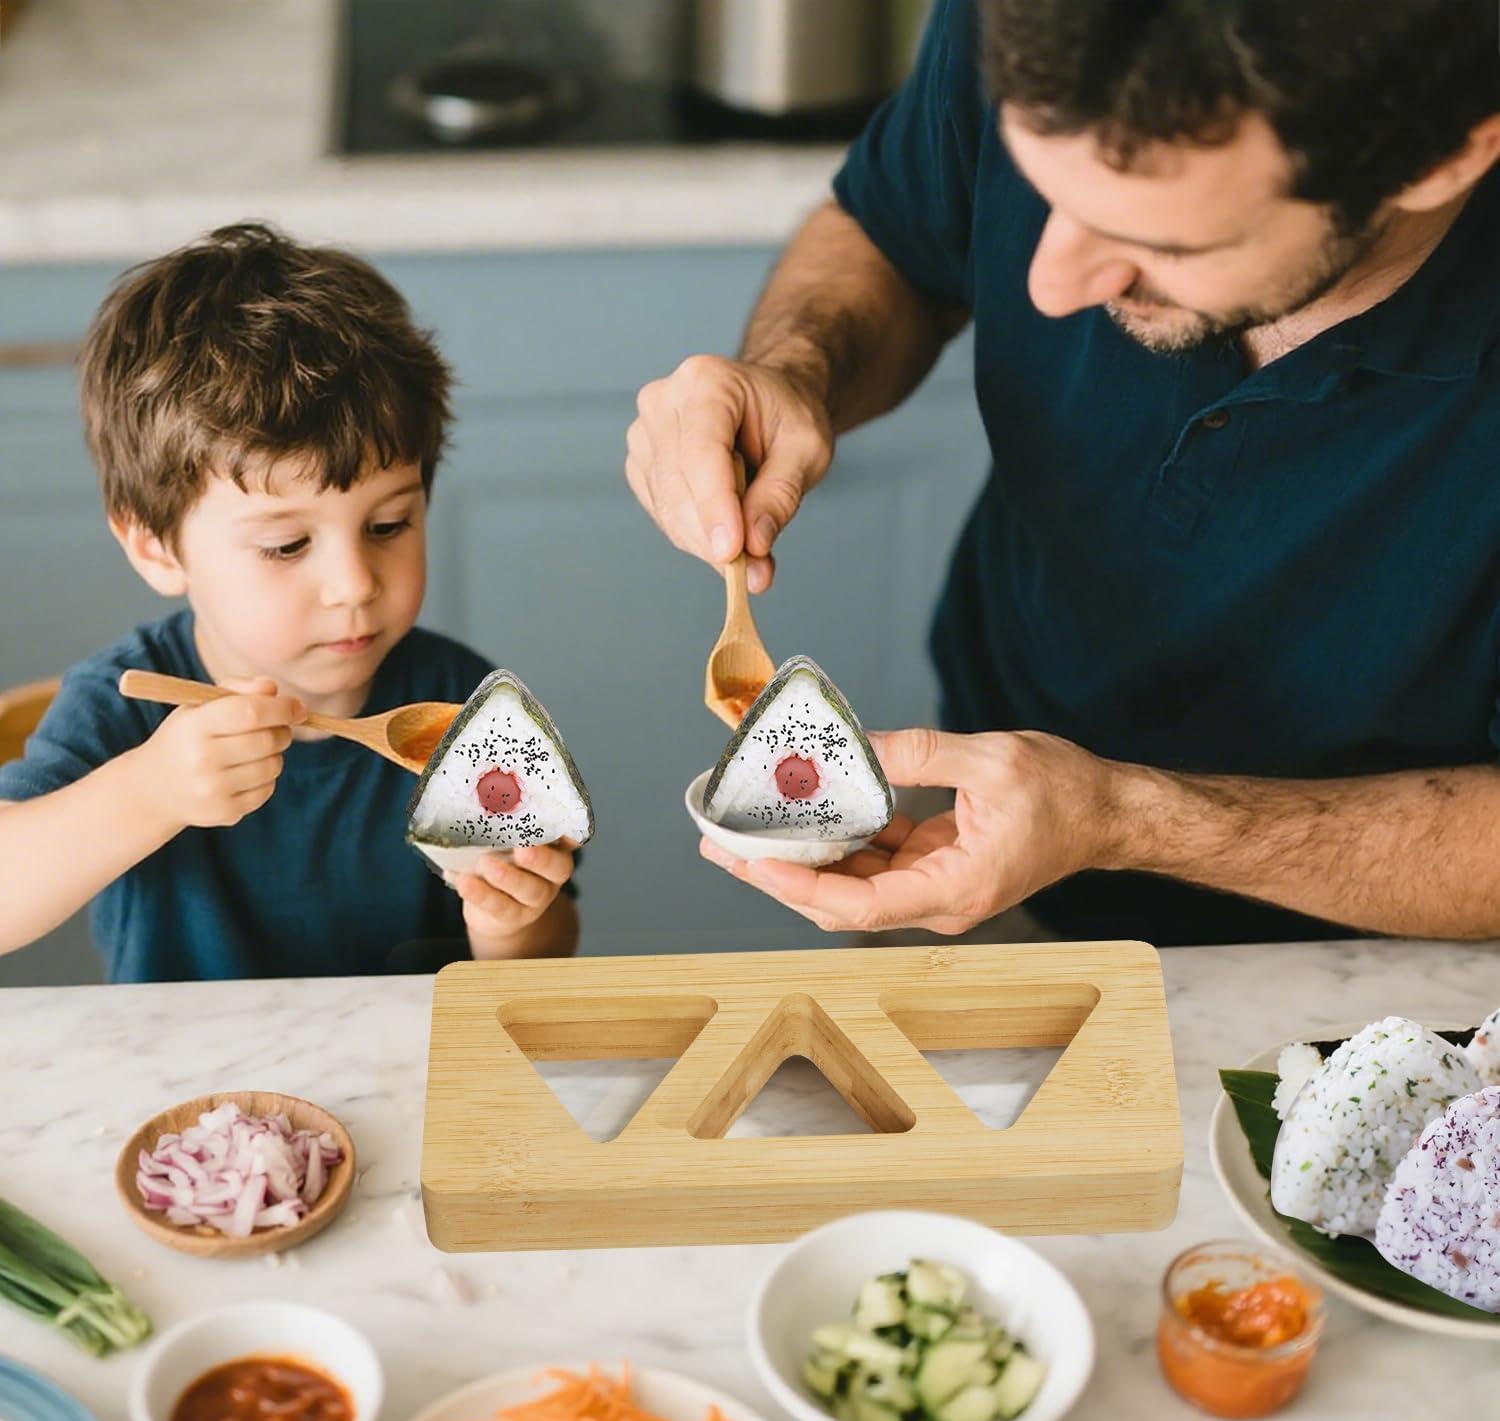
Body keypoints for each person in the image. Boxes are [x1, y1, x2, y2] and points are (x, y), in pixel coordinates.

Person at [626, 0, 1500, 946]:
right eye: (1044, 191)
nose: (1048, 285)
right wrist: (795, 369)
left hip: (1389, 965)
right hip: (982, 821)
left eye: (1165, 242)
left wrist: (1122, 819)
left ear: (1436, 157)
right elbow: (896, 233)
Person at [0, 223, 577, 981]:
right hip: (190, 1090)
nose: (355, 584)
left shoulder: (461, 710)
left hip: (409, 1079)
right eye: (285, 546)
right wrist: (149, 791)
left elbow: (548, 951)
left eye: (388, 525)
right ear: (155, 547)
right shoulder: (121, 708)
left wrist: (510, 921)